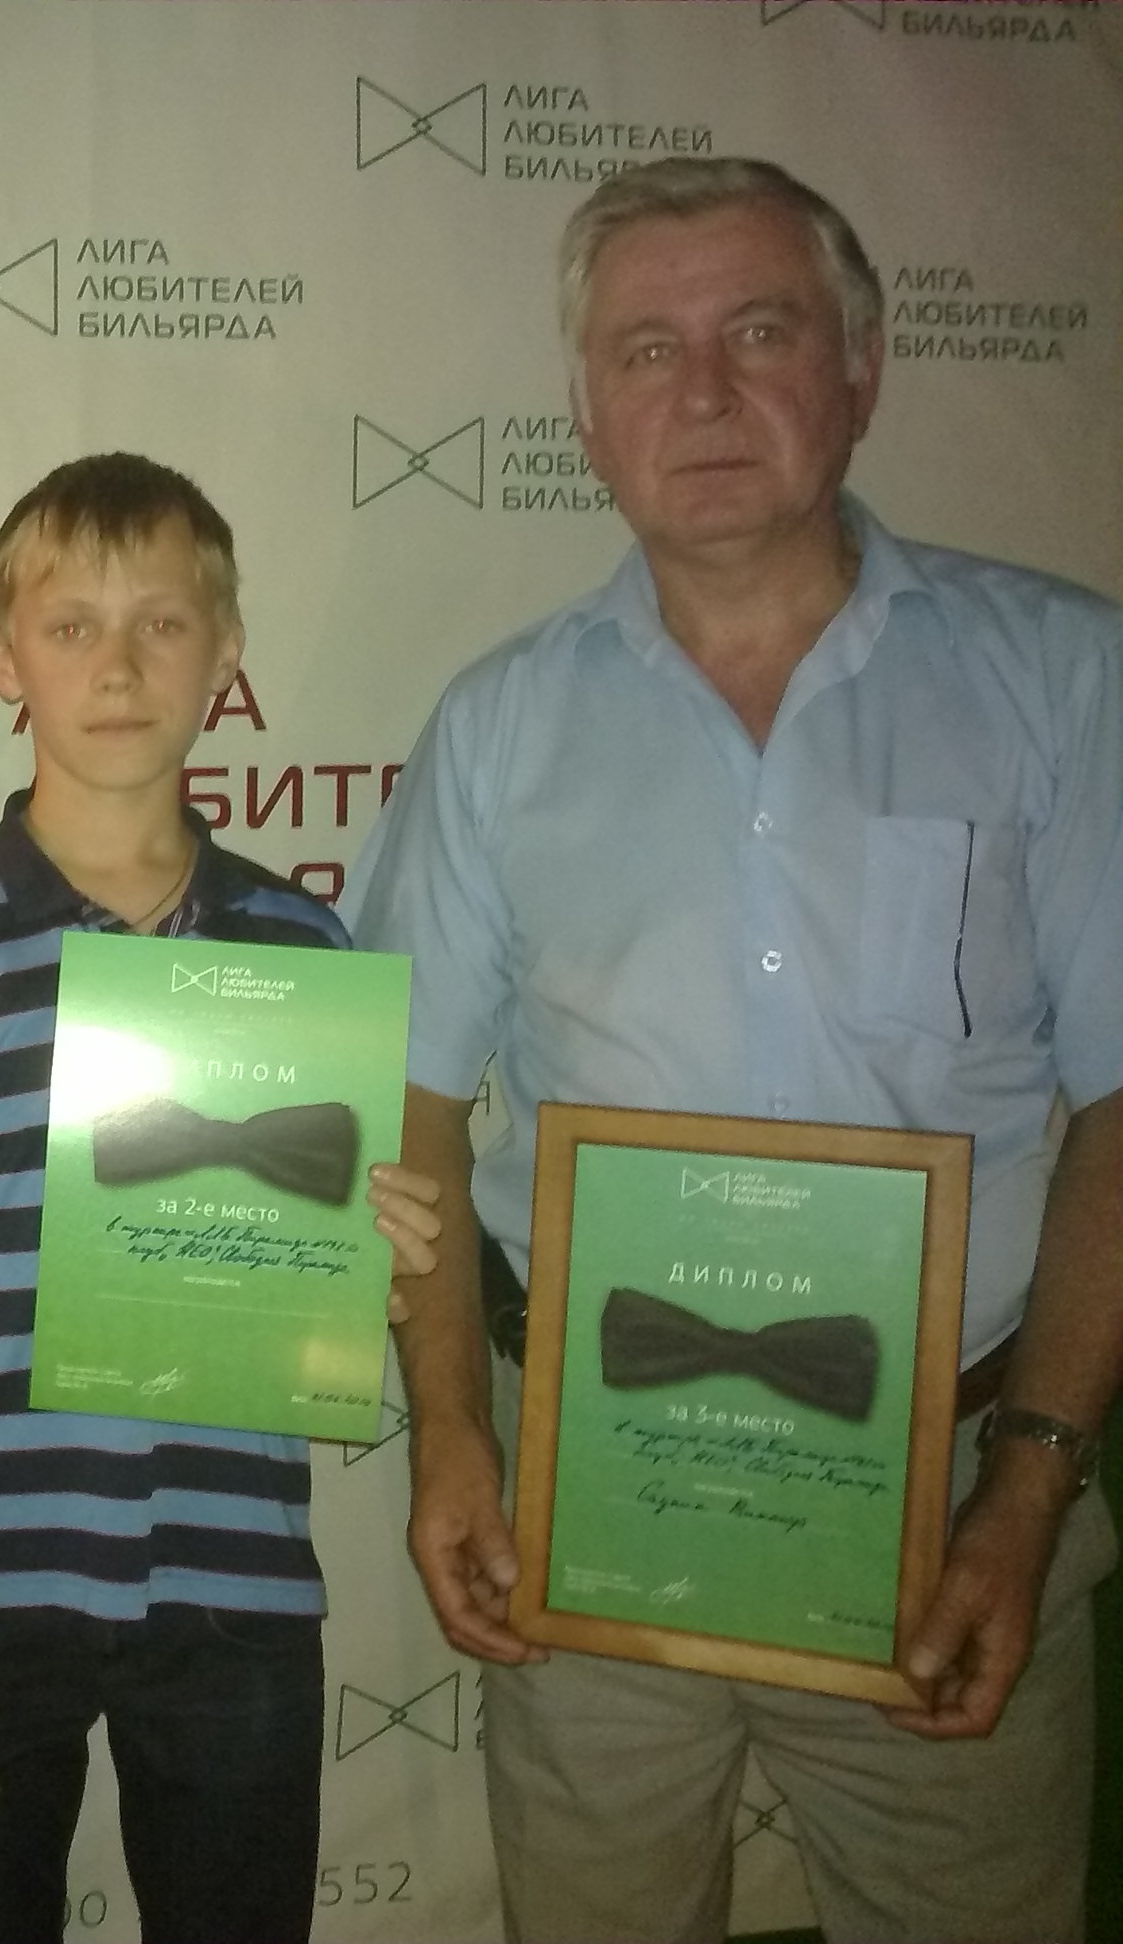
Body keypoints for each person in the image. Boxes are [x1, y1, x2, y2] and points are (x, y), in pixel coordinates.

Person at [344, 156, 1123, 1943]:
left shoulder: (1069, 685)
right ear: (586, 412)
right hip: (580, 1495)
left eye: (758, 335)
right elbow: (413, 1112)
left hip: (954, 1507)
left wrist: (1028, 1491)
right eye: (645, 351)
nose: (700, 394)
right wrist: (450, 1432)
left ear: (860, 368)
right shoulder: (499, 728)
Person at [0, 452, 444, 1943]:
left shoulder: (303, 950)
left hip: (235, 1585)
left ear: (226, 654)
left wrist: (373, 1257)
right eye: (72, 625)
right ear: (3, 657)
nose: (120, 664)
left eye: (162, 622)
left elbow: (319, 1285)